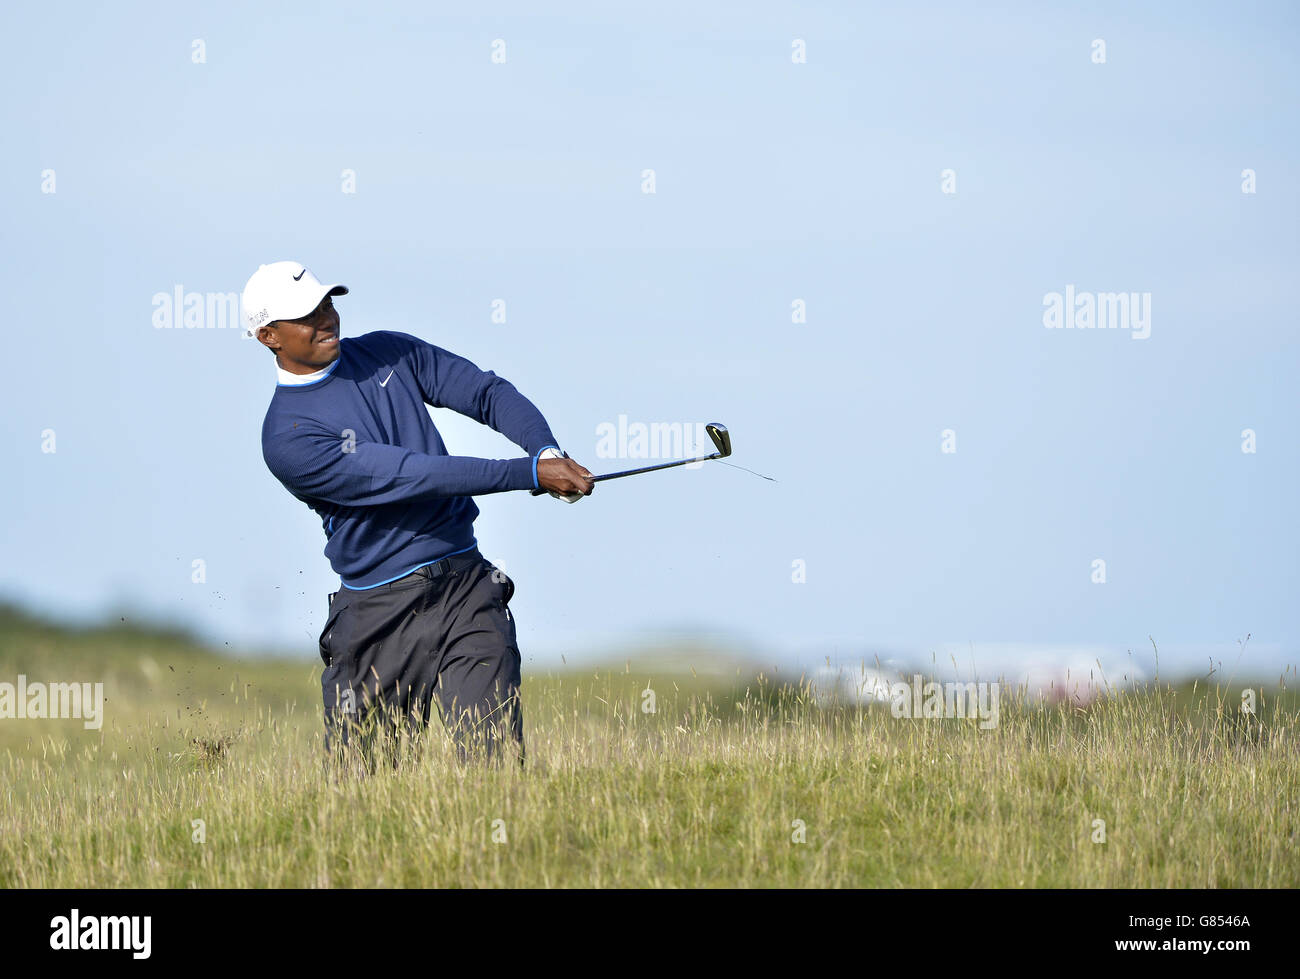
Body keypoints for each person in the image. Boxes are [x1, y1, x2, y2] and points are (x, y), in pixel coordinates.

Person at [242, 261, 594, 768]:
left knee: (493, 769)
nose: (326, 318)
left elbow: (484, 392)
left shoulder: (390, 351)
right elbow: (414, 475)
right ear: (268, 336)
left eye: (327, 303)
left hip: (466, 590)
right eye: (305, 315)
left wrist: (545, 452)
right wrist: (531, 474)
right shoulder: (288, 438)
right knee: (365, 799)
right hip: (377, 619)